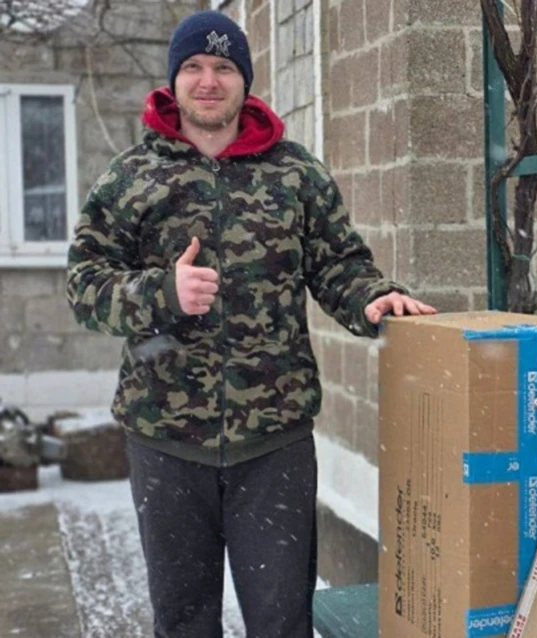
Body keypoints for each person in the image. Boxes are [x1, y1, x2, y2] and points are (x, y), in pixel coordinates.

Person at [65, 10, 436, 637]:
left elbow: (339, 264)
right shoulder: (131, 177)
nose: (208, 81)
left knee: (281, 620)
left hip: (274, 442)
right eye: (193, 67)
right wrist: (162, 292)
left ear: (245, 80)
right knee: (183, 621)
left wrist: (373, 298)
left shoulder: (294, 172)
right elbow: (83, 286)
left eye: (223, 67)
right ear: (174, 79)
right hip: (165, 440)